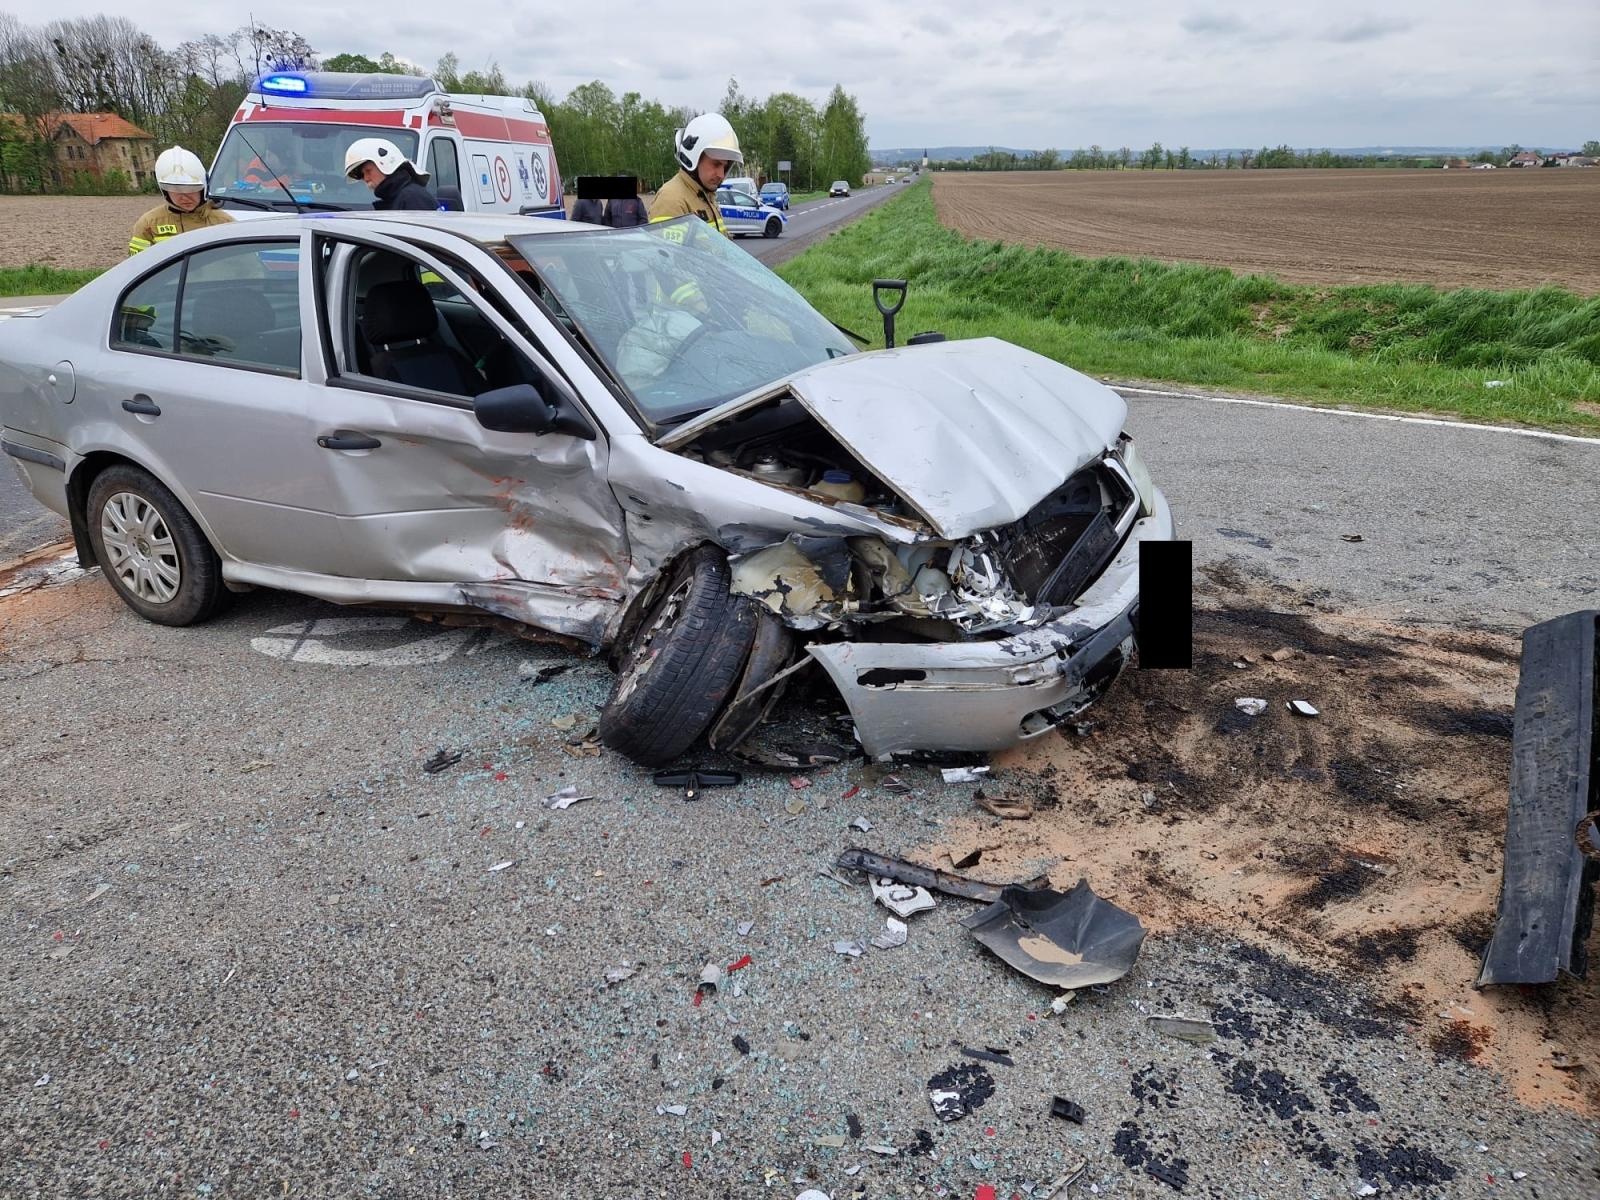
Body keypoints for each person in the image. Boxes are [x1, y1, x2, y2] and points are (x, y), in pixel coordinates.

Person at [128, 147, 233, 255]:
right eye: (175, 190)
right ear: (165, 191)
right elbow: (136, 263)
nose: (184, 197)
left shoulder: (224, 222)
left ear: (204, 188)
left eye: (191, 189)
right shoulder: (148, 224)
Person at [647, 114, 741, 235]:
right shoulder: (671, 200)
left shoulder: (704, 196)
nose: (721, 175)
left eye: (725, 166)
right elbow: (667, 247)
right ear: (694, 157)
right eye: (716, 164)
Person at [343, 138, 440, 211]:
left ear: (386, 164)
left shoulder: (413, 198)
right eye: (362, 174)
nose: (366, 178)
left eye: (368, 171)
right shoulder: (398, 197)